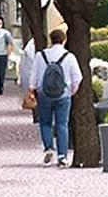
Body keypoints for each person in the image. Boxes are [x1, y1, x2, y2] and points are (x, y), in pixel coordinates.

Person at [25, 27, 79, 165]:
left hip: (44, 94)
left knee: (45, 122)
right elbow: (77, 77)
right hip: (63, 94)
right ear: (63, 40)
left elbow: (34, 74)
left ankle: (48, 147)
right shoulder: (69, 56)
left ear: (51, 40)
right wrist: (72, 90)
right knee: (62, 124)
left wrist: (32, 89)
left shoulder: (41, 55)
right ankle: (62, 156)